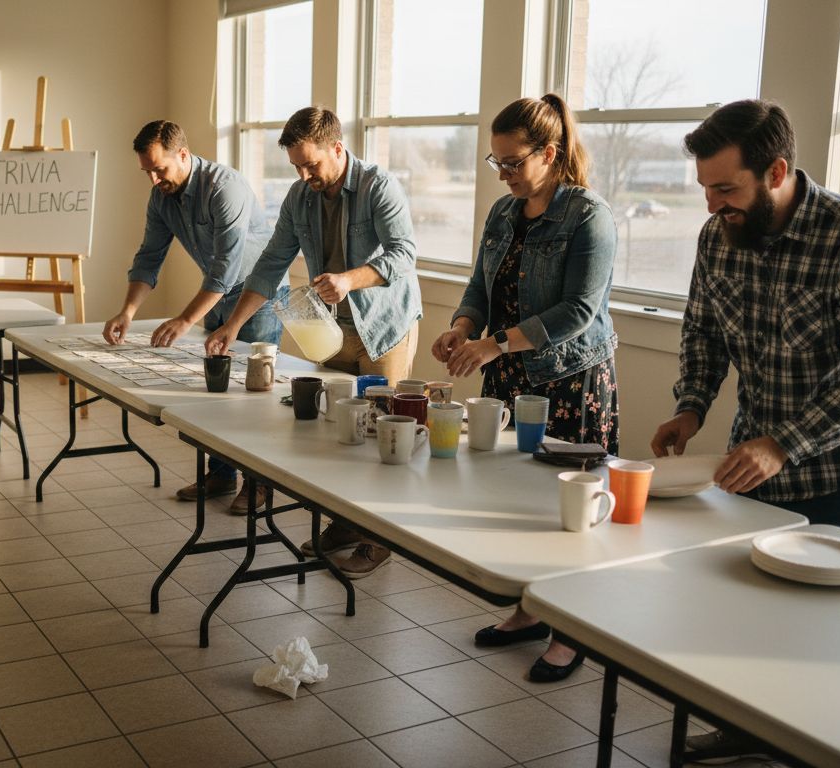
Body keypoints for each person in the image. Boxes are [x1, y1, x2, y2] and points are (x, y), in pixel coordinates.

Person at [651, 100, 840, 759]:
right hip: (749, 460)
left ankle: (799, 748)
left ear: (777, 171)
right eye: (705, 188)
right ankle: (742, 736)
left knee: (815, 636)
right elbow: (703, 333)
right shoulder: (719, 237)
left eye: (725, 188)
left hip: (837, 472)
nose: (711, 205)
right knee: (742, 618)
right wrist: (691, 407)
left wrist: (784, 444)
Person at [432, 93, 618, 684]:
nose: (505, 174)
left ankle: (572, 631)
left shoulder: (589, 216)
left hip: (569, 379)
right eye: (497, 163)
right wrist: (462, 327)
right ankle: (530, 610)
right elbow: (478, 288)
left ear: (551, 153)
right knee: (514, 500)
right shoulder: (503, 214)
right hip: (510, 373)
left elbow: (578, 311)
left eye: (514, 162)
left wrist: (494, 343)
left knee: (568, 510)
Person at [205, 106, 423, 578]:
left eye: (312, 165)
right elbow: (270, 263)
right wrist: (231, 326)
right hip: (334, 330)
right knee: (340, 434)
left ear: (337, 148)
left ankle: (378, 539)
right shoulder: (300, 197)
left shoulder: (378, 187)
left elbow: (404, 255)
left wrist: (349, 279)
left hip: (385, 327)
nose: (305, 176)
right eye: (297, 167)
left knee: (381, 435)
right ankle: (346, 526)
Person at [105, 120, 287, 513]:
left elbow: (226, 266)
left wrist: (184, 321)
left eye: (160, 169)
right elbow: (149, 256)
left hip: (258, 297)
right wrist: (128, 311)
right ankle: (223, 474)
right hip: (217, 297)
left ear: (183, 155)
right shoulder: (161, 197)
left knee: (253, 394)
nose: (154, 179)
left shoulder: (225, 188)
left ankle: (260, 486)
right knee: (216, 392)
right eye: (147, 172)